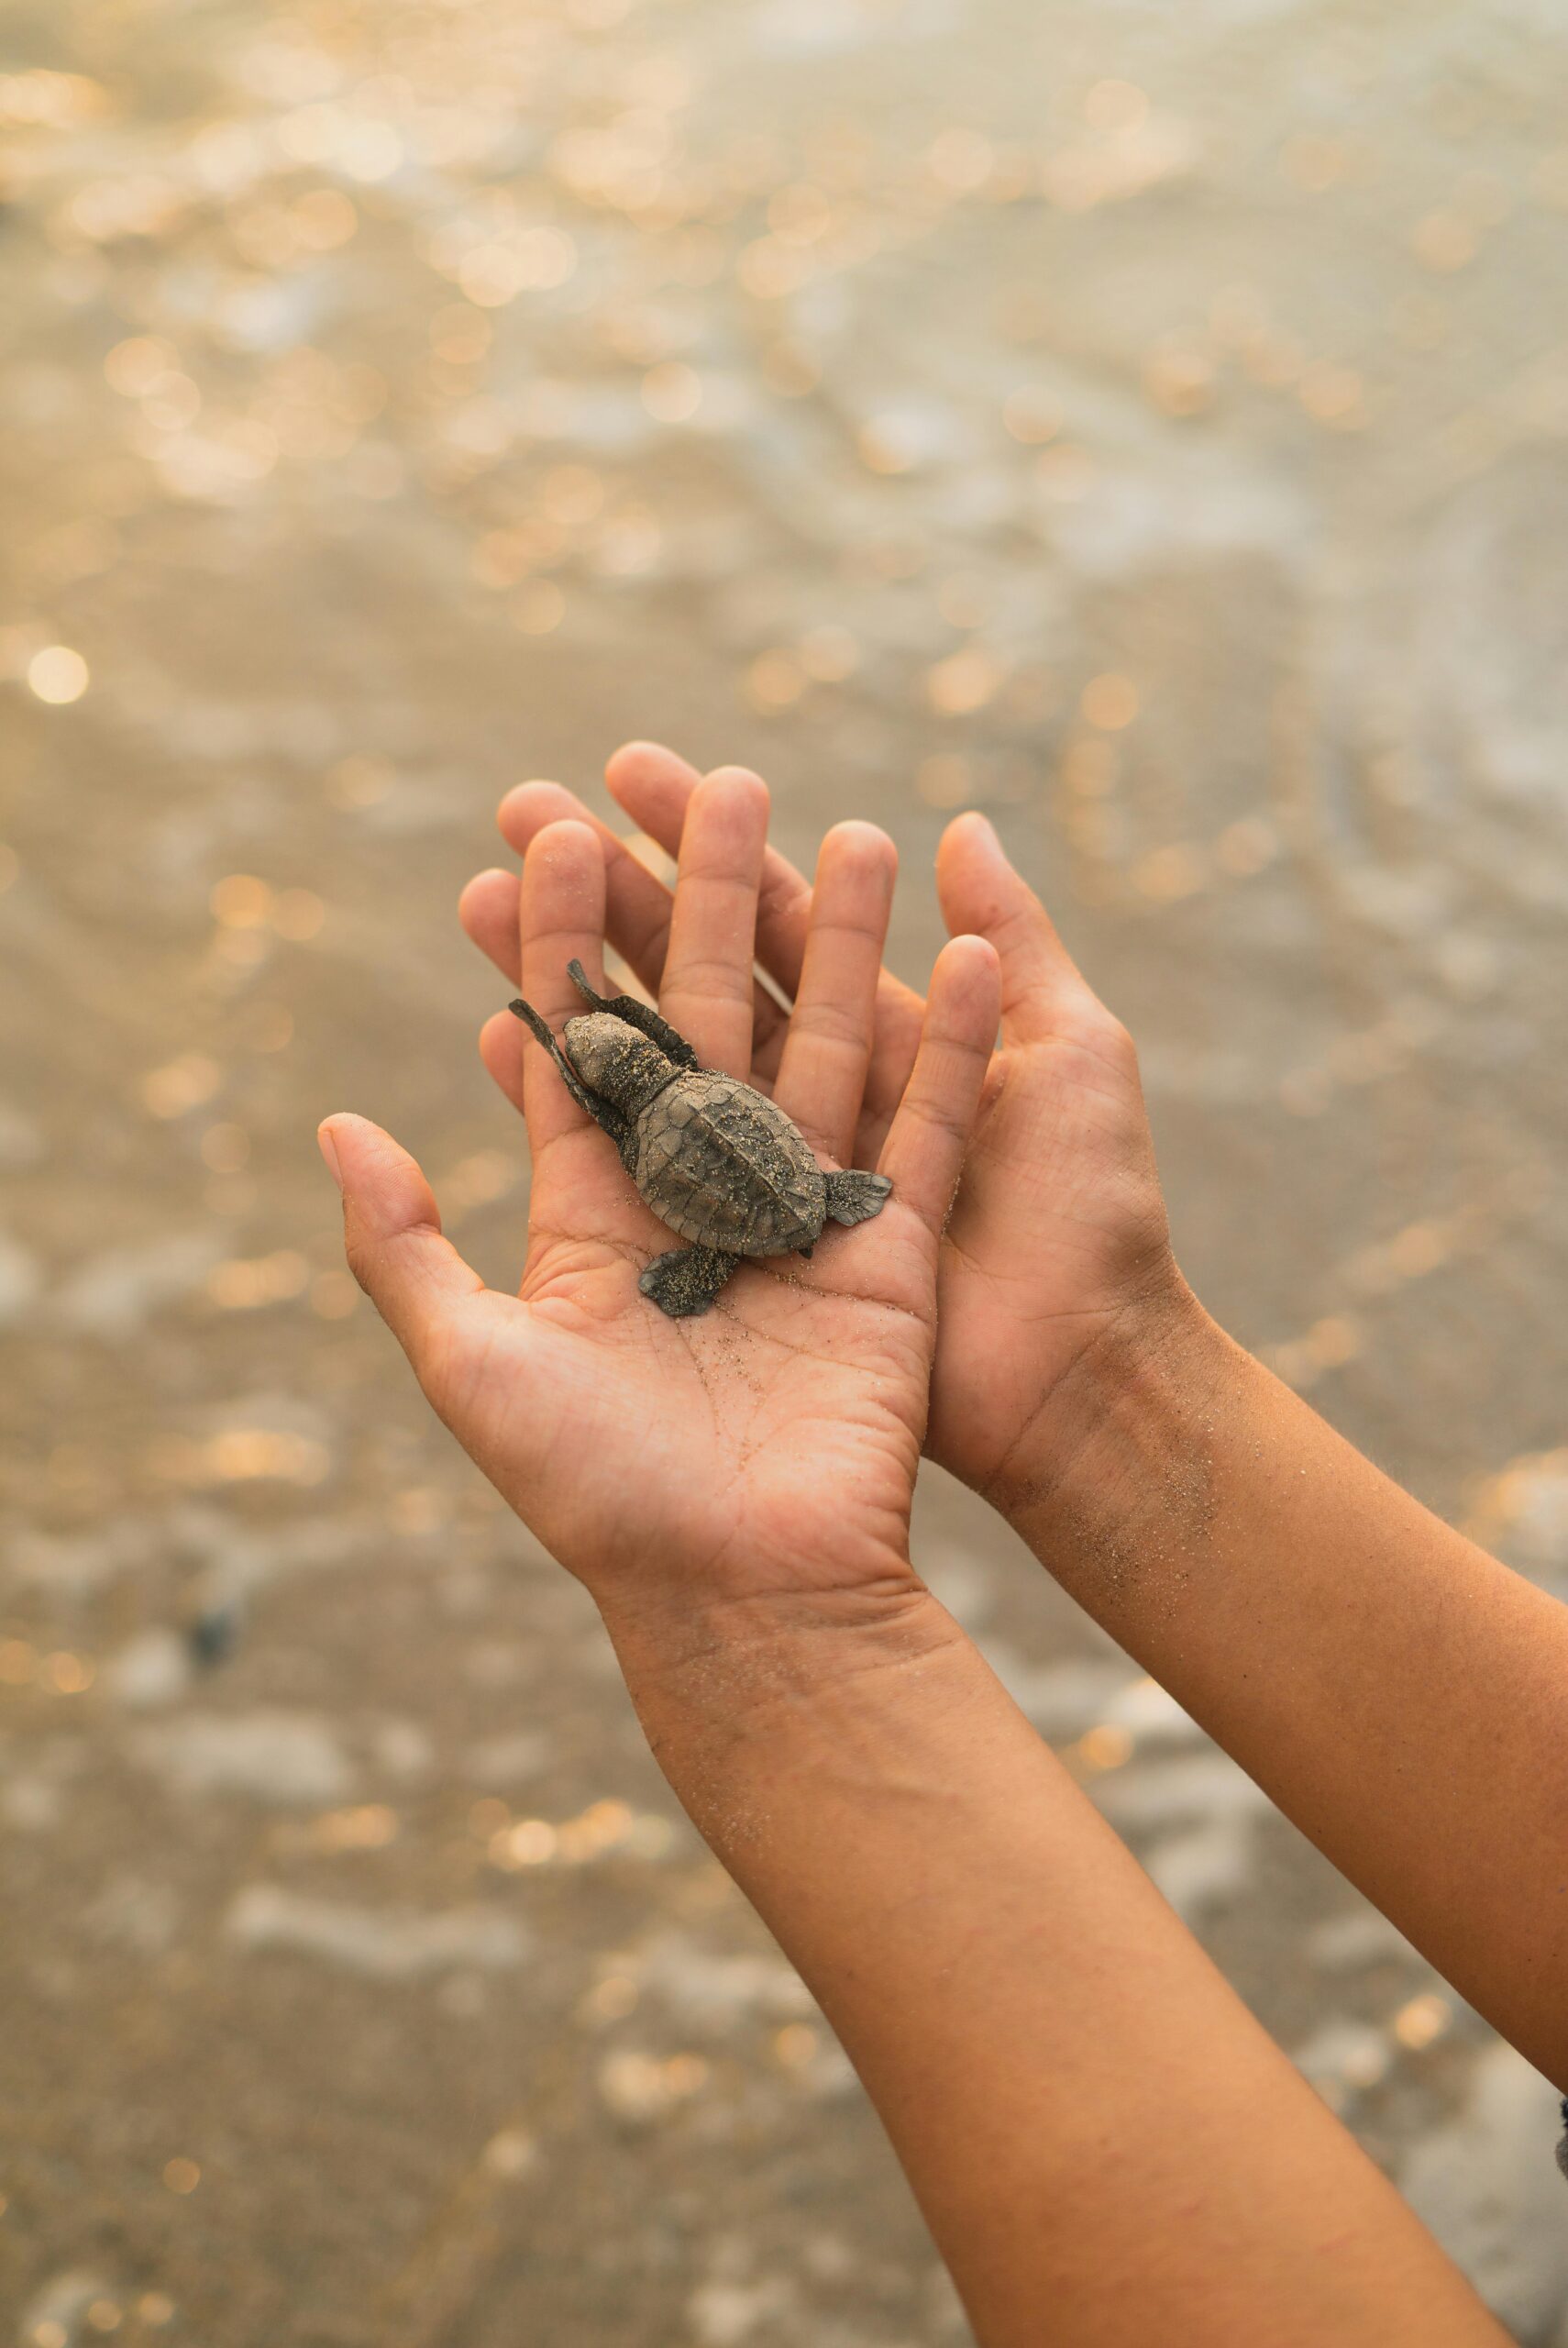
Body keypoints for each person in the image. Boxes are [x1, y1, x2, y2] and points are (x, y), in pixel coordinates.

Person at [317, 741, 1565, 2347]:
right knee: (660, 1082)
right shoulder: (702, 1112)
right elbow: (631, 1064)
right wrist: (1098, 1377)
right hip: (773, 1163)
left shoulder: (641, 1126)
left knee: (639, 1082)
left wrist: (761, 1622)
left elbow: (622, 1088)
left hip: (729, 1163)